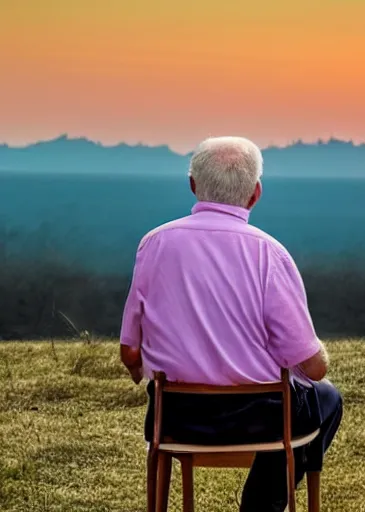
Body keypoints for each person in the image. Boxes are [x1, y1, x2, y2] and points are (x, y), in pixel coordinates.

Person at [120, 136, 343, 512]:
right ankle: (261, 504)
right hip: (263, 420)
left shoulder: (153, 244)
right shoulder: (268, 253)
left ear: (192, 184)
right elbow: (314, 367)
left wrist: (139, 370)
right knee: (327, 398)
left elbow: (129, 351)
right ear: (255, 194)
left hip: (176, 419)